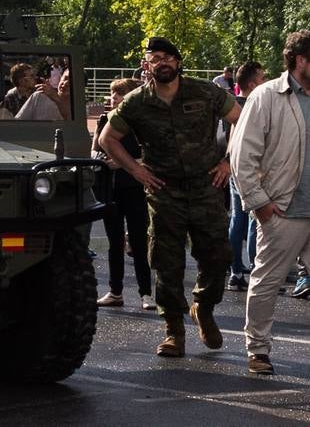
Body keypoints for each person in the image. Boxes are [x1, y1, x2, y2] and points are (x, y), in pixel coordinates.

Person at [98, 36, 240, 358]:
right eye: (154, 58)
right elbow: (108, 138)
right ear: (146, 65)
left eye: (167, 57)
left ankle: (203, 306)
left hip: (206, 188)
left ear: (177, 62)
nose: (161, 62)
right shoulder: (137, 101)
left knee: (217, 257)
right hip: (165, 193)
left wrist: (229, 161)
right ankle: (174, 331)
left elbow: (240, 119)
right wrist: (136, 171)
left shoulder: (204, 91)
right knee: (167, 264)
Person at [230, 31, 310, 376]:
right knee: (266, 281)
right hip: (283, 209)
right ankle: (258, 350)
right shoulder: (267, 96)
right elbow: (241, 154)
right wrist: (259, 203)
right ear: (300, 60)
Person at [93, 78, 154, 310]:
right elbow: (95, 150)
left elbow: (149, 158)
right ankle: (115, 291)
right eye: (112, 93)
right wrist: (101, 161)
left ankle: (146, 293)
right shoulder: (104, 120)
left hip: (135, 188)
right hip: (111, 188)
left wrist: (123, 162)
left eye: (119, 93)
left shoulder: (141, 124)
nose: (113, 97)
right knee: (114, 242)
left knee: (138, 241)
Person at [228, 60, 267, 290]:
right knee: (254, 221)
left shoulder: (231, 104)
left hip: (234, 169)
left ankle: (235, 270)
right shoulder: (251, 106)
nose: (265, 81)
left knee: (237, 219)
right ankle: (254, 269)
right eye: (262, 78)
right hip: (249, 169)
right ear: (253, 83)